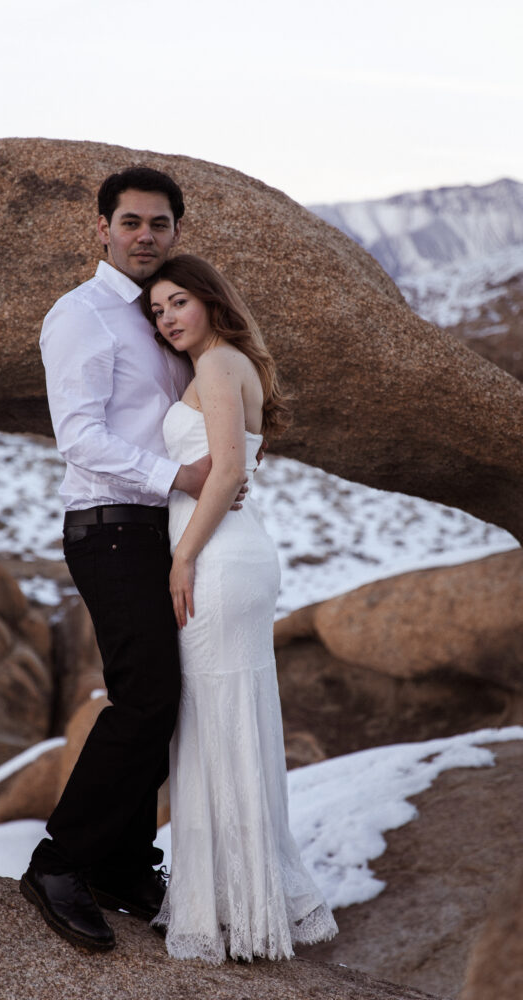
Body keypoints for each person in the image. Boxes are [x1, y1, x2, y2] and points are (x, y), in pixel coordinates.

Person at [20, 167, 241, 952]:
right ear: (103, 229)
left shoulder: (163, 316)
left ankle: (120, 861)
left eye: (159, 224)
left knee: (168, 699)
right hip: (110, 526)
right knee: (146, 696)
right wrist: (174, 475)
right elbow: (77, 434)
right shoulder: (80, 316)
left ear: (176, 231)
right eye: (131, 222)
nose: (145, 235)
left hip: (164, 532)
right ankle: (58, 862)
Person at [140, 254, 338, 962]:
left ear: (210, 300)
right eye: (156, 310)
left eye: (177, 302)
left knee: (215, 720)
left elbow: (225, 471)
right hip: (232, 550)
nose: (165, 318)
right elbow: (230, 469)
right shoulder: (222, 365)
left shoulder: (219, 366)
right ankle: (237, 900)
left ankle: (233, 911)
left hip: (217, 561)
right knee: (224, 720)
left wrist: (183, 556)